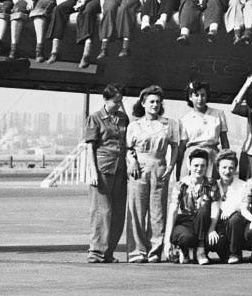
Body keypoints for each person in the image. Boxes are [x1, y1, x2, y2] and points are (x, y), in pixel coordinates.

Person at [125, 85, 177, 263]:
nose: (155, 105)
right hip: (139, 169)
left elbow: (175, 146)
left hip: (159, 167)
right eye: (151, 101)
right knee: (137, 210)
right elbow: (128, 148)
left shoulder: (168, 124)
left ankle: (154, 251)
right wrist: (131, 161)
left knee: (158, 213)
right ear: (143, 103)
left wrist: (170, 167)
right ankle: (136, 252)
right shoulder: (134, 125)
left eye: (157, 102)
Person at [84, 84, 129, 263]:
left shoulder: (124, 118)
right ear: (105, 99)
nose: (118, 105)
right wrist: (92, 172)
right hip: (103, 170)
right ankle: (95, 252)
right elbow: (90, 147)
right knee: (101, 212)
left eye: (120, 102)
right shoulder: (95, 118)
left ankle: (108, 252)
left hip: (120, 170)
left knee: (118, 213)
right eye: (115, 102)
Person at [167, 149, 220, 265]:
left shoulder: (211, 184)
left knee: (204, 206)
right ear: (189, 166)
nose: (199, 169)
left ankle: (200, 250)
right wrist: (167, 240)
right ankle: (185, 250)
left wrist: (212, 229)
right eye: (196, 165)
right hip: (185, 222)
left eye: (203, 166)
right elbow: (173, 211)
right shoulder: (181, 185)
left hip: (203, 221)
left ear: (207, 167)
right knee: (186, 237)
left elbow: (215, 209)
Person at [176, 80, 229, 178]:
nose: (200, 99)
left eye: (203, 95)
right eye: (196, 95)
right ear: (190, 97)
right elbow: (182, 146)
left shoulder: (218, 114)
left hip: (212, 155)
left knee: (211, 187)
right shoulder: (185, 119)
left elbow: (224, 140)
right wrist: (178, 168)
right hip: (192, 156)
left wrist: (226, 160)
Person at [214, 151, 249, 264]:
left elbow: (246, 205)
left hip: (235, 224)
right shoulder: (213, 184)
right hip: (218, 224)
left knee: (235, 218)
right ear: (217, 168)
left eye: (231, 168)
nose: (227, 171)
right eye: (224, 167)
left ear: (235, 169)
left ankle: (235, 252)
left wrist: (233, 209)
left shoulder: (243, 185)